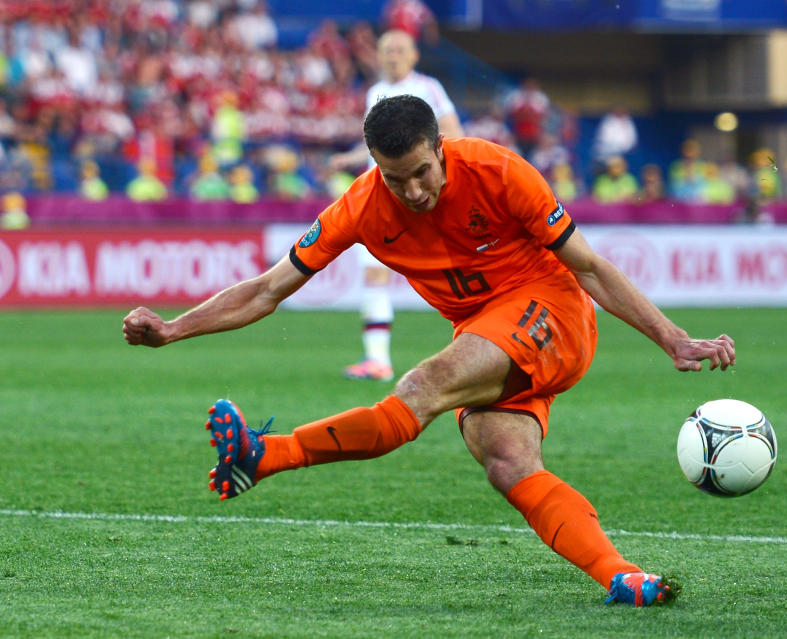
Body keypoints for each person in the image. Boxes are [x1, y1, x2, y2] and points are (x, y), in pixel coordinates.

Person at [123, 96, 736, 607]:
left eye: (422, 171)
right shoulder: (361, 207)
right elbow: (265, 290)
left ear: (441, 148)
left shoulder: (499, 172)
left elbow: (593, 270)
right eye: (395, 177)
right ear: (374, 167)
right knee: (508, 464)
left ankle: (265, 455)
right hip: (487, 335)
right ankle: (622, 577)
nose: (412, 190)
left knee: (420, 387)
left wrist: (672, 338)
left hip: (553, 312)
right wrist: (175, 329)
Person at [330, 29, 464, 382]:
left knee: (450, 273)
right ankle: (377, 360)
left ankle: (477, 344)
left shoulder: (429, 88)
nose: (392, 56)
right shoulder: (376, 92)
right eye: (387, 50)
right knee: (374, 273)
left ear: (414, 55)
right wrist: (348, 158)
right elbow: (378, 147)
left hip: (420, 194)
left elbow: (455, 135)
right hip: (382, 195)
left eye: (400, 50)